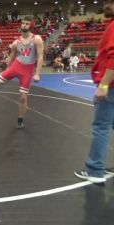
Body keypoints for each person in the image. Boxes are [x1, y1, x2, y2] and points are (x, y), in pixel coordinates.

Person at [74, 0, 114, 183]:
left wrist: (104, 85)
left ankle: (95, 170)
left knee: (101, 126)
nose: (107, 5)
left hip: (111, 87)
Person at [0, 16, 44, 128]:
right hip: (16, 66)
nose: (24, 25)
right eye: (23, 23)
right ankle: (4, 77)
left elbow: (40, 56)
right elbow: (12, 57)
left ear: (31, 26)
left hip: (27, 70)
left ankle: (20, 120)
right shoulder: (16, 42)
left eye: (26, 23)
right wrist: (7, 69)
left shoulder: (37, 39)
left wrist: (37, 73)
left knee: (23, 97)